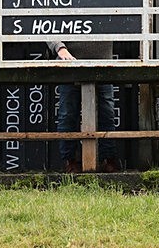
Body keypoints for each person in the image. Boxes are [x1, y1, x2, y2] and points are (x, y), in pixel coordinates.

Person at [47, 39, 120, 173]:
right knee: (67, 114)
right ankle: (70, 161)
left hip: (103, 64)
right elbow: (45, 29)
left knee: (107, 113)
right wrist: (60, 48)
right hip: (69, 64)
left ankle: (108, 158)